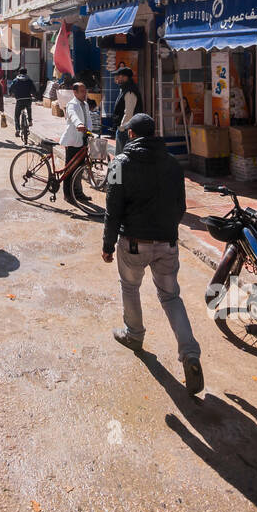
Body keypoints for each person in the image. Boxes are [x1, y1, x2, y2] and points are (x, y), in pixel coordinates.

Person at [101, 113, 202, 395]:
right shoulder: (172, 163)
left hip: (133, 242)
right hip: (167, 242)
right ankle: (190, 353)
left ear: (131, 135)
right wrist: (168, 231)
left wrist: (108, 245)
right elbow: (181, 205)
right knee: (171, 297)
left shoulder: (119, 163)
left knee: (130, 288)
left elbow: (112, 209)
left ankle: (134, 335)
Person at [60, 82, 94, 205]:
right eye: (82, 91)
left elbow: (88, 119)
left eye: (85, 90)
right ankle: (67, 194)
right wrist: (79, 124)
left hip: (83, 140)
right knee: (70, 169)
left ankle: (78, 193)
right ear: (75, 92)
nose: (85, 93)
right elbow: (73, 116)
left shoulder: (84, 104)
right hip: (73, 141)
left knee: (80, 169)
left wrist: (89, 130)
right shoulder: (71, 104)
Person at [110, 67, 141, 155]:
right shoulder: (125, 89)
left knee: (123, 158)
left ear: (125, 77)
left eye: (118, 76)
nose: (116, 78)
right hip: (124, 130)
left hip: (126, 131)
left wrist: (122, 128)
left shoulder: (130, 91)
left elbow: (128, 113)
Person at [7, 68, 38, 138]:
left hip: (19, 99)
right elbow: (34, 90)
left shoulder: (15, 80)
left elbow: (10, 89)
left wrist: (10, 94)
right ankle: (30, 121)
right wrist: (34, 94)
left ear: (19, 73)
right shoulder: (29, 80)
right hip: (28, 99)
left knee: (16, 116)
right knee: (29, 109)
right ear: (26, 73)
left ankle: (18, 129)